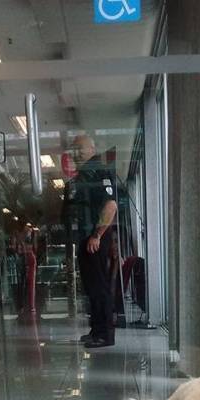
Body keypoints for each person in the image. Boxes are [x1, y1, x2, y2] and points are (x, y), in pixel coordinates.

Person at [62, 134, 117, 348]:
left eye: (80, 148)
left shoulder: (98, 172)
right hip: (86, 240)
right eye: (74, 149)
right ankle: (96, 330)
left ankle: (105, 335)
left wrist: (97, 235)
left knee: (99, 288)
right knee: (91, 288)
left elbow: (110, 206)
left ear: (92, 148)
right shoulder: (82, 176)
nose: (76, 153)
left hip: (94, 240)